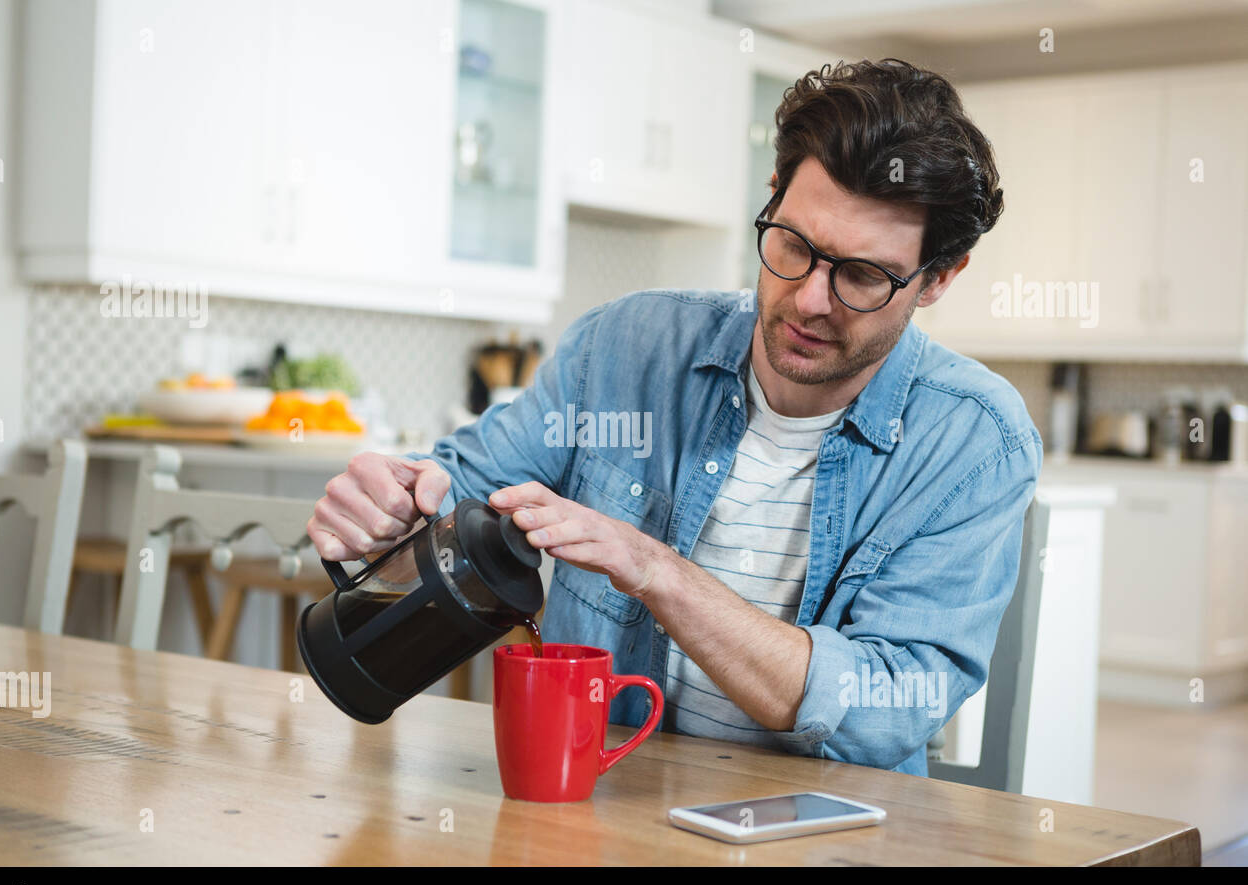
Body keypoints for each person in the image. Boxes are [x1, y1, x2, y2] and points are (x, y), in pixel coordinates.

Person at [307, 59, 1041, 776]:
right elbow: (467, 484)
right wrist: (396, 500)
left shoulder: (975, 444)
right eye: (792, 245)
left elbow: (886, 705)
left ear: (940, 278)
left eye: (861, 275)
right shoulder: (625, 348)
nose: (810, 300)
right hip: (608, 811)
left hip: (823, 836)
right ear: (773, 195)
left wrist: (657, 570)